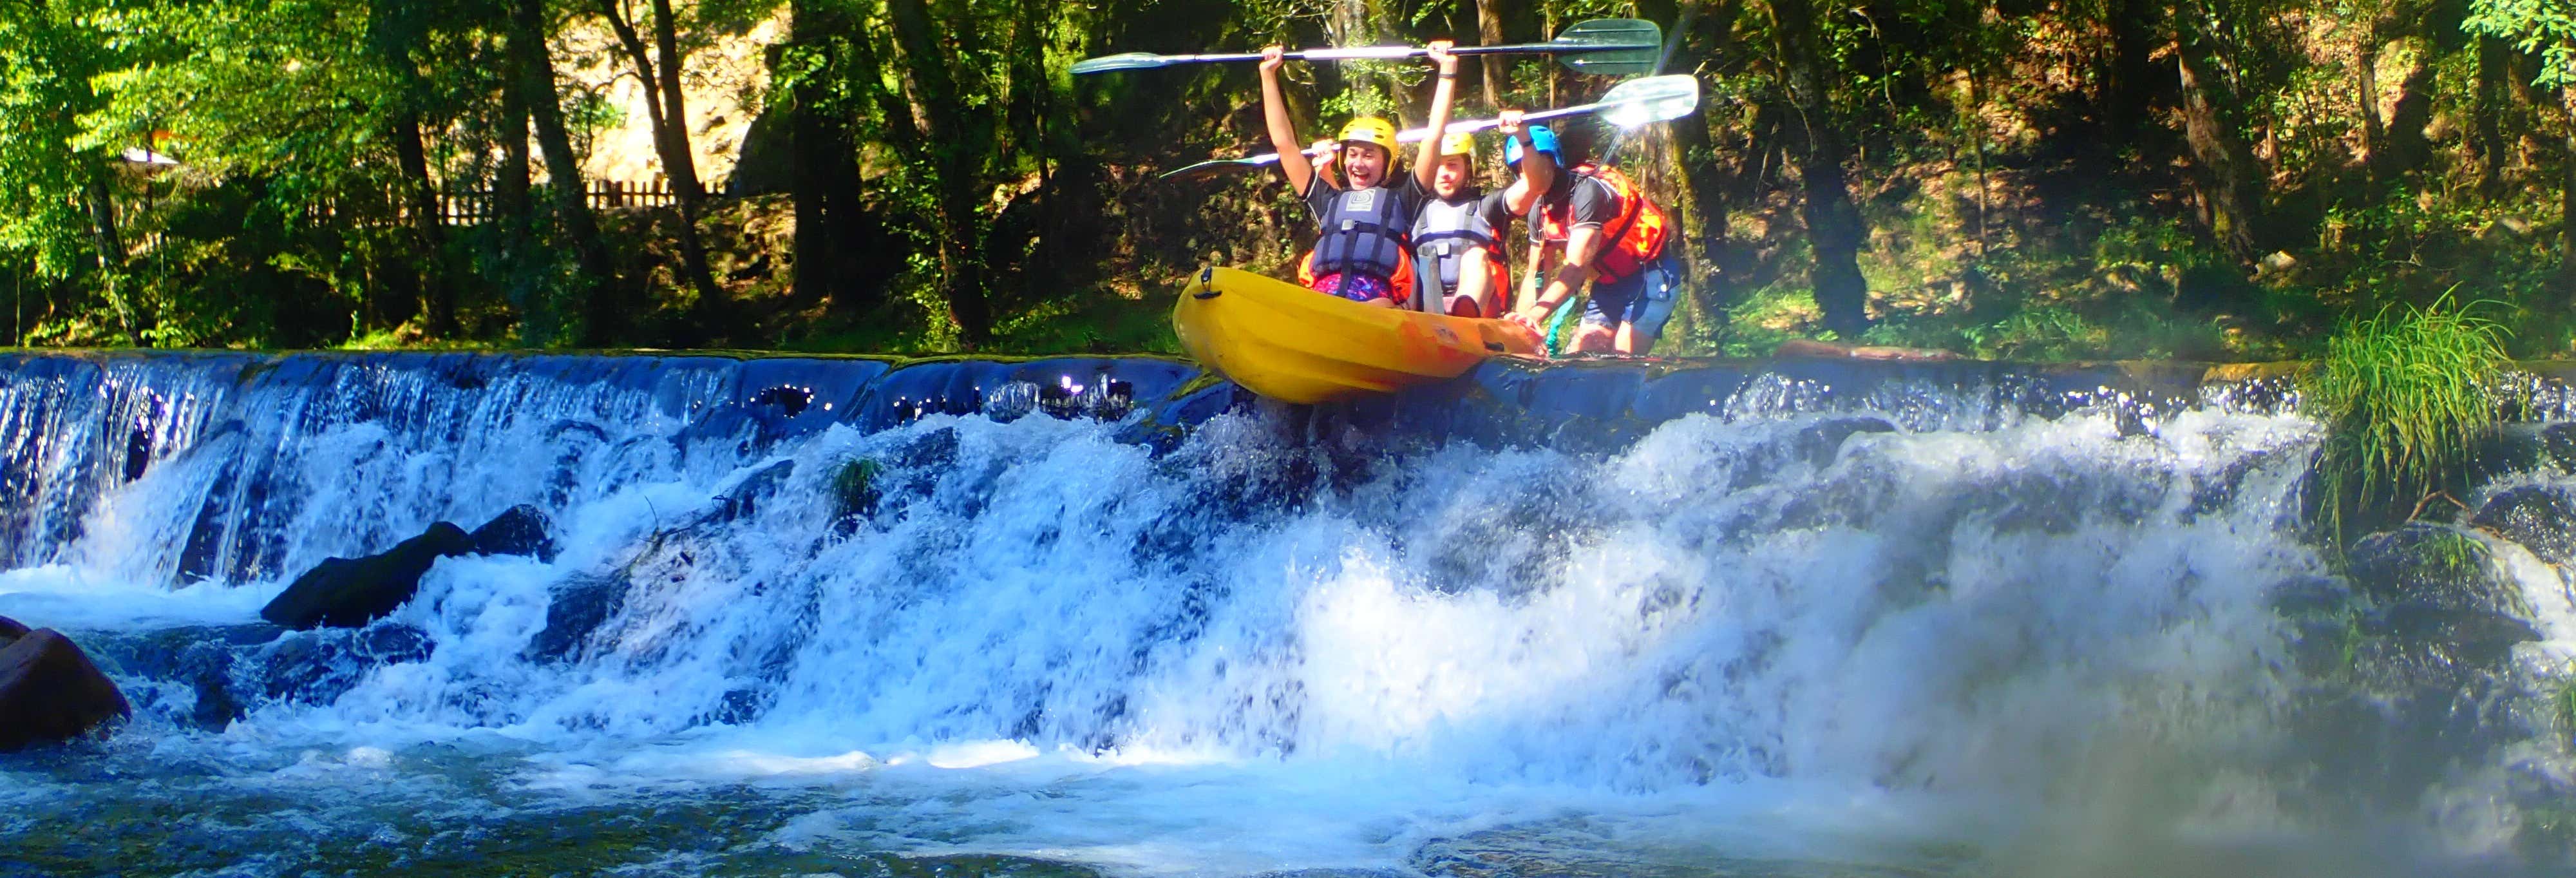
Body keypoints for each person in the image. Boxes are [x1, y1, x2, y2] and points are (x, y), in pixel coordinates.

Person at [1258, 40, 1461, 307]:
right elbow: (1285, 145)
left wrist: (1448, 70)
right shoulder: (1328, 200)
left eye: (1369, 156)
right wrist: (1268, 75)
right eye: (1352, 154)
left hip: (1377, 303)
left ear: (1387, 163)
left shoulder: (1403, 200)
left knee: (1378, 307)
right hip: (1324, 297)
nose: (1358, 164)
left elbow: (1434, 137)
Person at [1501, 130, 1681, 355]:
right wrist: (1523, 333)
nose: (1528, 172)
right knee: (1582, 358)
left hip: (1650, 276)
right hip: (1608, 287)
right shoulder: (1538, 210)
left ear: (1552, 161)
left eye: (1533, 162)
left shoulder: (1587, 191)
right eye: (1520, 168)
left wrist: (1534, 317)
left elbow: (1576, 269)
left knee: (1621, 360)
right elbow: (1536, 275)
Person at [1408, 112, 1549, 318]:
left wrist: (1523, 138)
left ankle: (1466, 312)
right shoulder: (1411, 207)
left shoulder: (1486, 207)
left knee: (1475, 255)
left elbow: (1535, 186)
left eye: (1452, 165)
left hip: (1479, 312)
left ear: (1468, 167)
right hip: (1423, 310)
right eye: (1437, 164)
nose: (1443, 173)